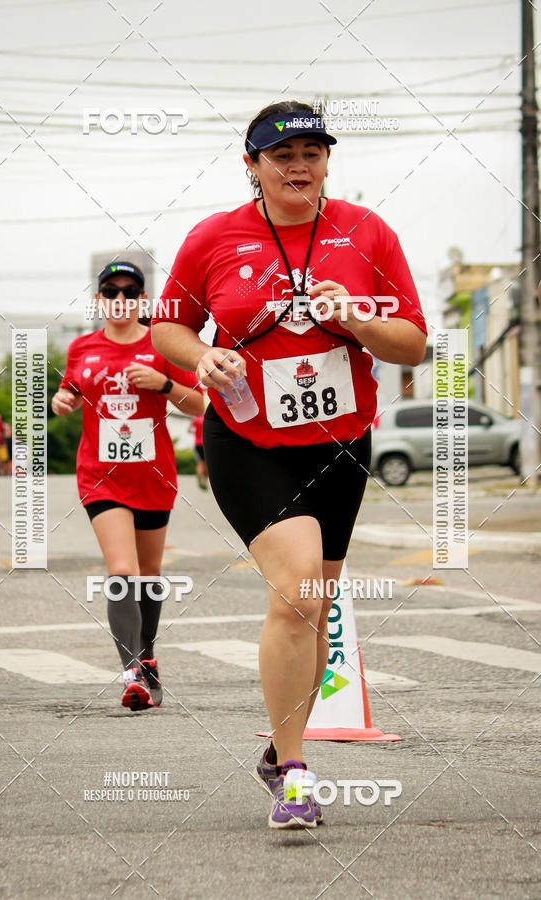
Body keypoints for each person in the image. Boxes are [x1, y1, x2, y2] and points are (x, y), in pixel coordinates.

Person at [152, 100, 427, 828]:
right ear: (253, 167)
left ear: (328, 161)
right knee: (299, 594)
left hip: (341, 442)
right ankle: (296, 771)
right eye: (283, 155)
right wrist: (202, 354)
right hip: (247, 440)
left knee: (316, 604)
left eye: (313, 151)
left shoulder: (367, 231)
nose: (300, 165)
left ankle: (282, 752)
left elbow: (412, 343)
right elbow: (168, 324)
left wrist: (360, 320)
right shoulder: (214, 237)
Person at [51, 262, 203, 710]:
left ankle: (148, 655)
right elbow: (69, 395)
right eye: (110, 292)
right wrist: (63, 401)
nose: (119, 300)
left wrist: (164, 383)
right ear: (98, 300)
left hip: (153, 475)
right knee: (122, 572)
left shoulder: (162, 343)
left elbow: (198, 404)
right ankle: (132, 672)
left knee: (149, 579)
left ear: (142, 300)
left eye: (129, 292)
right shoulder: (82, 347)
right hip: (101, 476)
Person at [190, 413, 208, 491]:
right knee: (207, 463)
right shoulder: (206, 418)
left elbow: (189, 430)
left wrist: (196, 432)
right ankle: (204, 481)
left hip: (197, 443)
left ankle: (199, 476)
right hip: (206, 443)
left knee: (200, 462)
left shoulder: (195, 418)